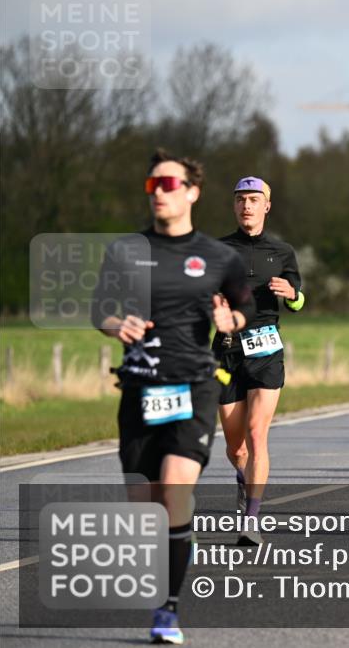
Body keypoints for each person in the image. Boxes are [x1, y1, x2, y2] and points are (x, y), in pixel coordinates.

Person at [92, 149, 256, 644]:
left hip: (194, 387)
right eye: (152, 186)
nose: (159, 194)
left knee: (174, 491)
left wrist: (232, 321)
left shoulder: (219, 256)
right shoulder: (125, 251)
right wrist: (118, 324)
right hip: (140, 389)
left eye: (169, 185)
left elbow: (244, 306)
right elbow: (100, 310)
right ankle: (167, 564)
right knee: (146, 511)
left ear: (191, 192)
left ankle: (168, 609)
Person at [212, 177, 304, 546]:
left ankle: (252, 519)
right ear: (234, 206)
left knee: (256, 433)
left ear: (267, 205)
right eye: (240, 200)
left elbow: (299, 302)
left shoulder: (282, 253)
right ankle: (243, 475)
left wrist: (292, 293)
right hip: (225, 350)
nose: (246, 206)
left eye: (253, 199)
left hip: (266, 349)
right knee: (236, 448)